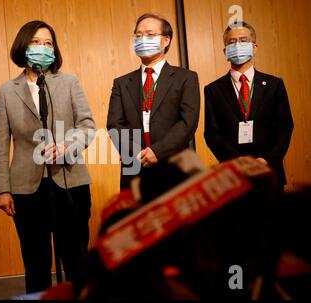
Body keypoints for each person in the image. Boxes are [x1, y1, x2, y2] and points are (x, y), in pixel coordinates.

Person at [0, 20, 96, 294]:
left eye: (48, 43)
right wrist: (3, 190)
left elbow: (87, 126)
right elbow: (1, 145)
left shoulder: (69, 81)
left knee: (76, 259)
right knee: (36, 263)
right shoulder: (6, 91)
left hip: (70, 181)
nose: (43, 48)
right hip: (26, 187)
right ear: (23, 46)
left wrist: (65, 145)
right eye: (36, 42)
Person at [107, 13, 200, 189]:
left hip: (175, 165)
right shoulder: (121, 83)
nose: (142, 39)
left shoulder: (186, 78)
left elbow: (188, 123)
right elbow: (114, 125)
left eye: (149, 35)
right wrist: (137, 155)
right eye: (138, 35)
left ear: (166, 40)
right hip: (134, 167)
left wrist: (157, 152)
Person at [204, 21, 294, 191]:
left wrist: (266, 160)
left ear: (254, 47)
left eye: (243, 40)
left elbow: (285, 127)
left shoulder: (275, 85)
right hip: (231, 176)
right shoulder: (213, 89)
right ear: (225, 51)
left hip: (270, 172)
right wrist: (238, 163)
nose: (237, 45)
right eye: (232, 42)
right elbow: (212, 134)